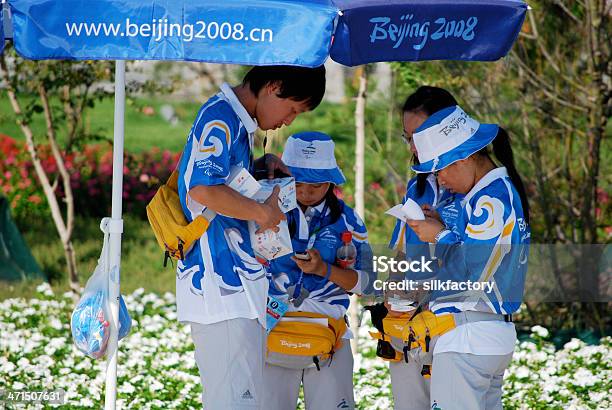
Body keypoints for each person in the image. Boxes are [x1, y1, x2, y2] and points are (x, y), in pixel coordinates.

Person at [175, 65, 326, 409]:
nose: (289, 121)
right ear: (273, 87)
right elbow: (202, 189)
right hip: (220, 287)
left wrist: (259, 165)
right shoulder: (221, 117)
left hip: (236, 286)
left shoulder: (236, 122)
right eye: (293, 109)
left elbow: (220, 181)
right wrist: (262, 213)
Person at [407, 105, 530, 410]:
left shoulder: (490, 199)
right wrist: (445, 226)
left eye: (441, 170)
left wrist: (438, 235)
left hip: (468, 336)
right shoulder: (491, 194)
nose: (440, 180)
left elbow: (475, 270)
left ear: (464, 158)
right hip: (485, 334)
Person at [264, 132, 374, 410]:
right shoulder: (262, 209)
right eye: (298, 182)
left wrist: (324, 269)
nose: (306, 192)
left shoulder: (348, 221)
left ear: (331, 181)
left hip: (330, 333)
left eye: (316, 184)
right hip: (272, 327)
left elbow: (366, 283)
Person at [386, 86, 462, 410]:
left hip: (454, 324)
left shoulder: (476, 189)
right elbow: (401, 251)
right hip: (408, 323)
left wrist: (441, 230)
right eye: (408, 137)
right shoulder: (418, 187)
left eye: (419, 135)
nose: (413, 147)